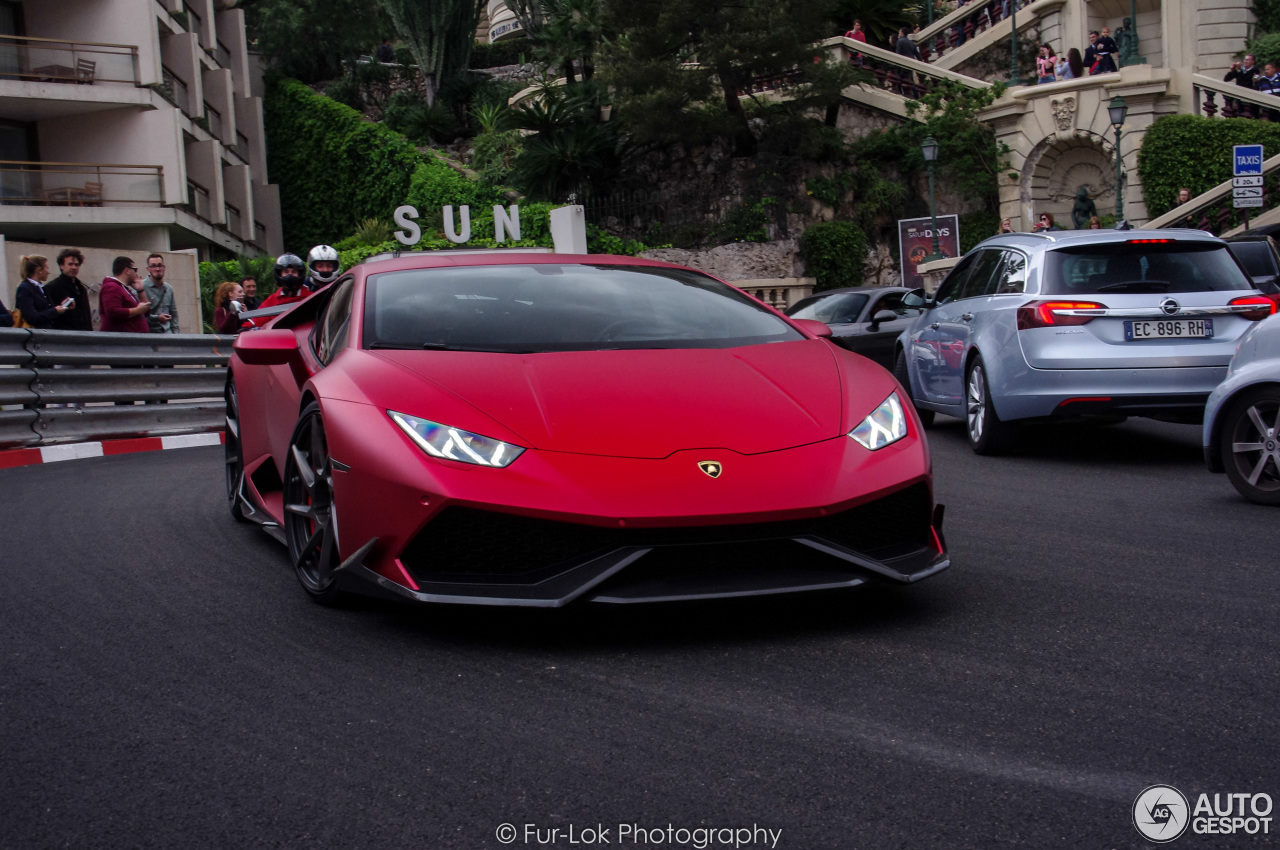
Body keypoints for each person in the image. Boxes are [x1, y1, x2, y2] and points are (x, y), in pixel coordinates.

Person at [243, 253, 309, 329]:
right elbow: (259, 319)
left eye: (293, 272)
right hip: (279, 338)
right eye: (286, 272)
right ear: (279, 274)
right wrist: (247, 326)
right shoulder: (272, 299)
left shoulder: (310, 297)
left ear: (299, 274)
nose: (289, 275)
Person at [15, 254, 71, 329]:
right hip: (34, 335)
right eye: (46, 268)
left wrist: (63, 306)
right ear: (39, 270)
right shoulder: (25, 288)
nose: (48, 272)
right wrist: (54, 311)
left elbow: (46, 310)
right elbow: (31, 317)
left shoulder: (41, 288)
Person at [44, 248, 93, 332]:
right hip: (63, 335)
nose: (74, 267)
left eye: (76, 265)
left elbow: (86, 315)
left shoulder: (81, 288)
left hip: (84, 335)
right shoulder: (52, 287)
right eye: (70, 264)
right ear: (61, 266)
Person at [99, 256, 150, 333]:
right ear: (127, 270)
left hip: (131, 341)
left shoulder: (124, 289)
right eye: (135, 270)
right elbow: (113, 313)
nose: (136, 273)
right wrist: (137, 310)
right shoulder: (111, 287)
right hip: (120, 342)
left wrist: (140, 290)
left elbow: (146, 311)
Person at [141, 253, 179, 334]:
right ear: (148, 269)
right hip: (150, 334)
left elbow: (174, 314)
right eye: (153, 266)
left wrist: (176, 335)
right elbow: (140, 316)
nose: (157, 269)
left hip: (168, 333)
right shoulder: (141, 288)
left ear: (164, 267)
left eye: (159, 265)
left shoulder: (168, 288)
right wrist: (157, 318)